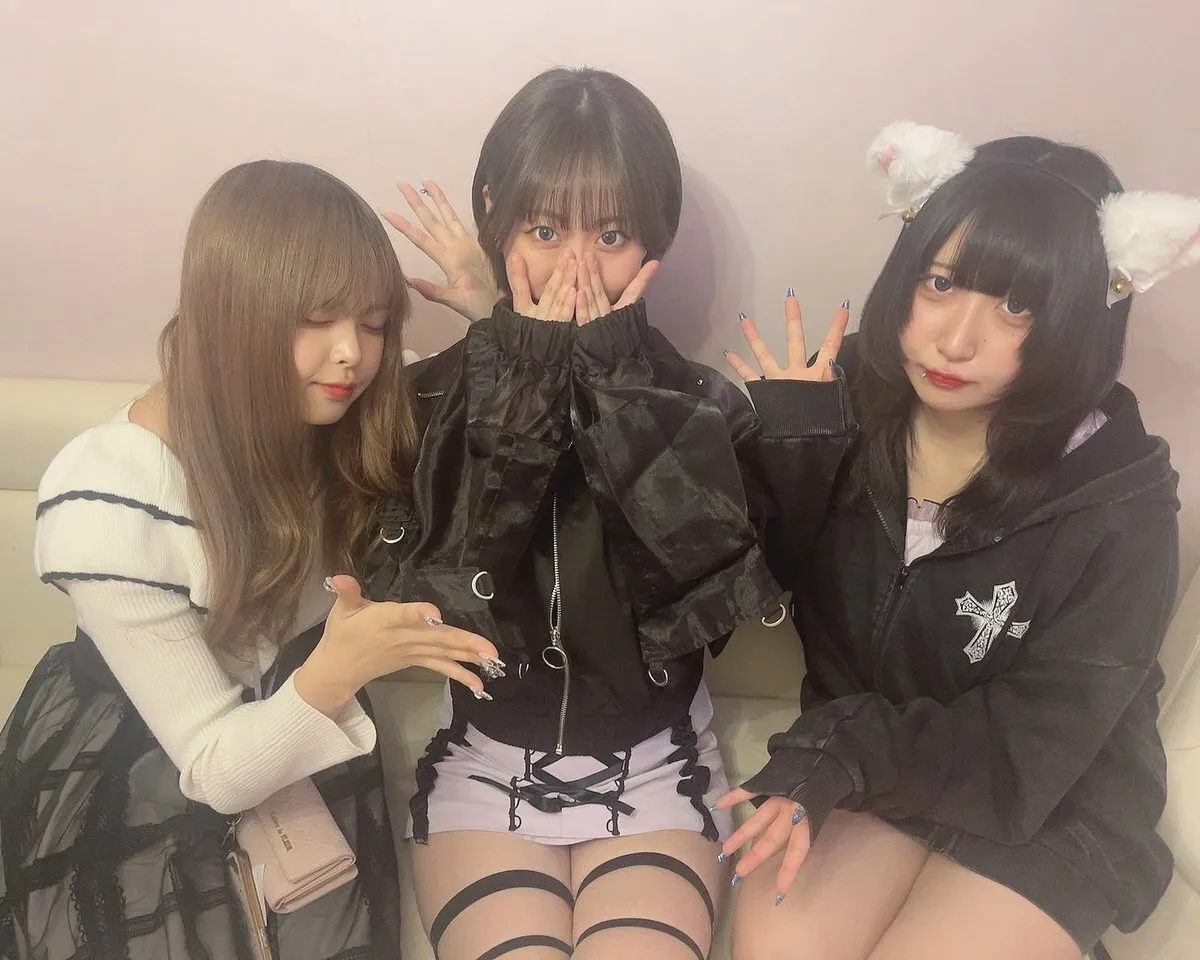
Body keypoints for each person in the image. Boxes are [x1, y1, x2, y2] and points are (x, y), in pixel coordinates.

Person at [368, 66, 851, 960]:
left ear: (653, 239)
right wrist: (517, 361)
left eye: (613, 234)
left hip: (657, 770)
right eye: (545, 229)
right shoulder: (431, 397)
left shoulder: (698, 406)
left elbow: (705, 603)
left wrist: (618, 386)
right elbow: (452, 592)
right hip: (483, 767)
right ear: (496, 218)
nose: (578, 268)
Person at [719, 122, 1200, 960]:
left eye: (1018, 306)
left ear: (1082, 317)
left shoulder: (1119, 499)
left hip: (1050, 797)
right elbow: (745, 588)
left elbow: (1042, 730)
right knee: (779, 946)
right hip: (872, 762)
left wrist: (845, 750)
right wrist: (787, 462)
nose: (955, 340)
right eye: (941, 282)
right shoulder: (838, 395)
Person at [0, 160, 502, 959]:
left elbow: (521, 417)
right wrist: (342, 668)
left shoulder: (343, 418)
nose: (352, 354)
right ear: (231, 316)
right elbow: (214, 766)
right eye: (316, 319)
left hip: (301, 722)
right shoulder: (110, 494)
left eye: (374, 323)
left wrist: (491, 309)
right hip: (146, 760)